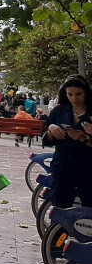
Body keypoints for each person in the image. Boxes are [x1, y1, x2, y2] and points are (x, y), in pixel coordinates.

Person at [41, 75, 92, 209]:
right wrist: (51, 130)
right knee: (60, 203)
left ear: (86, 92)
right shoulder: (59, 110)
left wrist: (86, 138)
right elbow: (46, 139)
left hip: (87, 164)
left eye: (78, 94)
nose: (74, 99)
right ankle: (60, 229)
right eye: (70, 94)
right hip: (63, 163)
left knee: (88, 203)